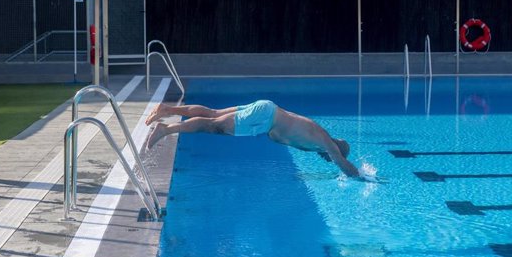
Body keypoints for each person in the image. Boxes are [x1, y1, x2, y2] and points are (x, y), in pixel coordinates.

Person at [145, 99, 360, 177]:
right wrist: (364, 176)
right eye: (332, 156)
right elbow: (344, 165)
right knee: (214, 126)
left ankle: (166, 109)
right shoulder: (325, 142)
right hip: (264, 118)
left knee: (213, 113)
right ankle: (165, 129)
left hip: (266, 110)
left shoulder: (316, 142)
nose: (329, 159)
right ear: (336, 149)